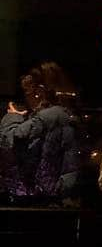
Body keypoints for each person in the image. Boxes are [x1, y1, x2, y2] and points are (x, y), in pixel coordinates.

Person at [1, 63, 81, 204]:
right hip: (53, 197)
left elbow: (10, 141)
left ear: (39, 91)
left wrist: (12, 116)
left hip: (33, 197)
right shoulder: (65, 115)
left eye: (27, 92)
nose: (26, 97)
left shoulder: (44, 118)